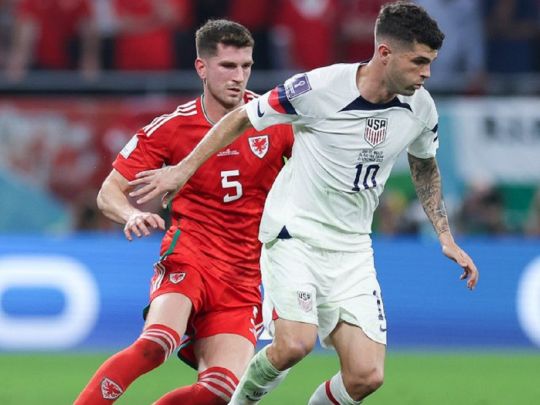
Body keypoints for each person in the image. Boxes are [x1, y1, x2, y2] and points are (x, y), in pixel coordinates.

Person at [130, 2, 480, 404]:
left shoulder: (421, 108)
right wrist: (182, 170)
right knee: (295, 344)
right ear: (385, 53)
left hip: (352, 248)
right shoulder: (319, 88)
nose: (427, 73)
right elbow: (242, 117)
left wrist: (445, 236)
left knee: (366, 376)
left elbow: (425, 165)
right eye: (419, 61)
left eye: (430, 62)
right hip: (294, 234)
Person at [74, 19, 293, 404]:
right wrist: (131, 214)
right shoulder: (172, 128)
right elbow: (109, 192)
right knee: (156, 345)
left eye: (246, 66)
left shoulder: (274, 121)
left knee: (220, 391)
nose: (238, 77)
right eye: (228, 66)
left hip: (244, 277)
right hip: (190, 255)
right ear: (201, 68)